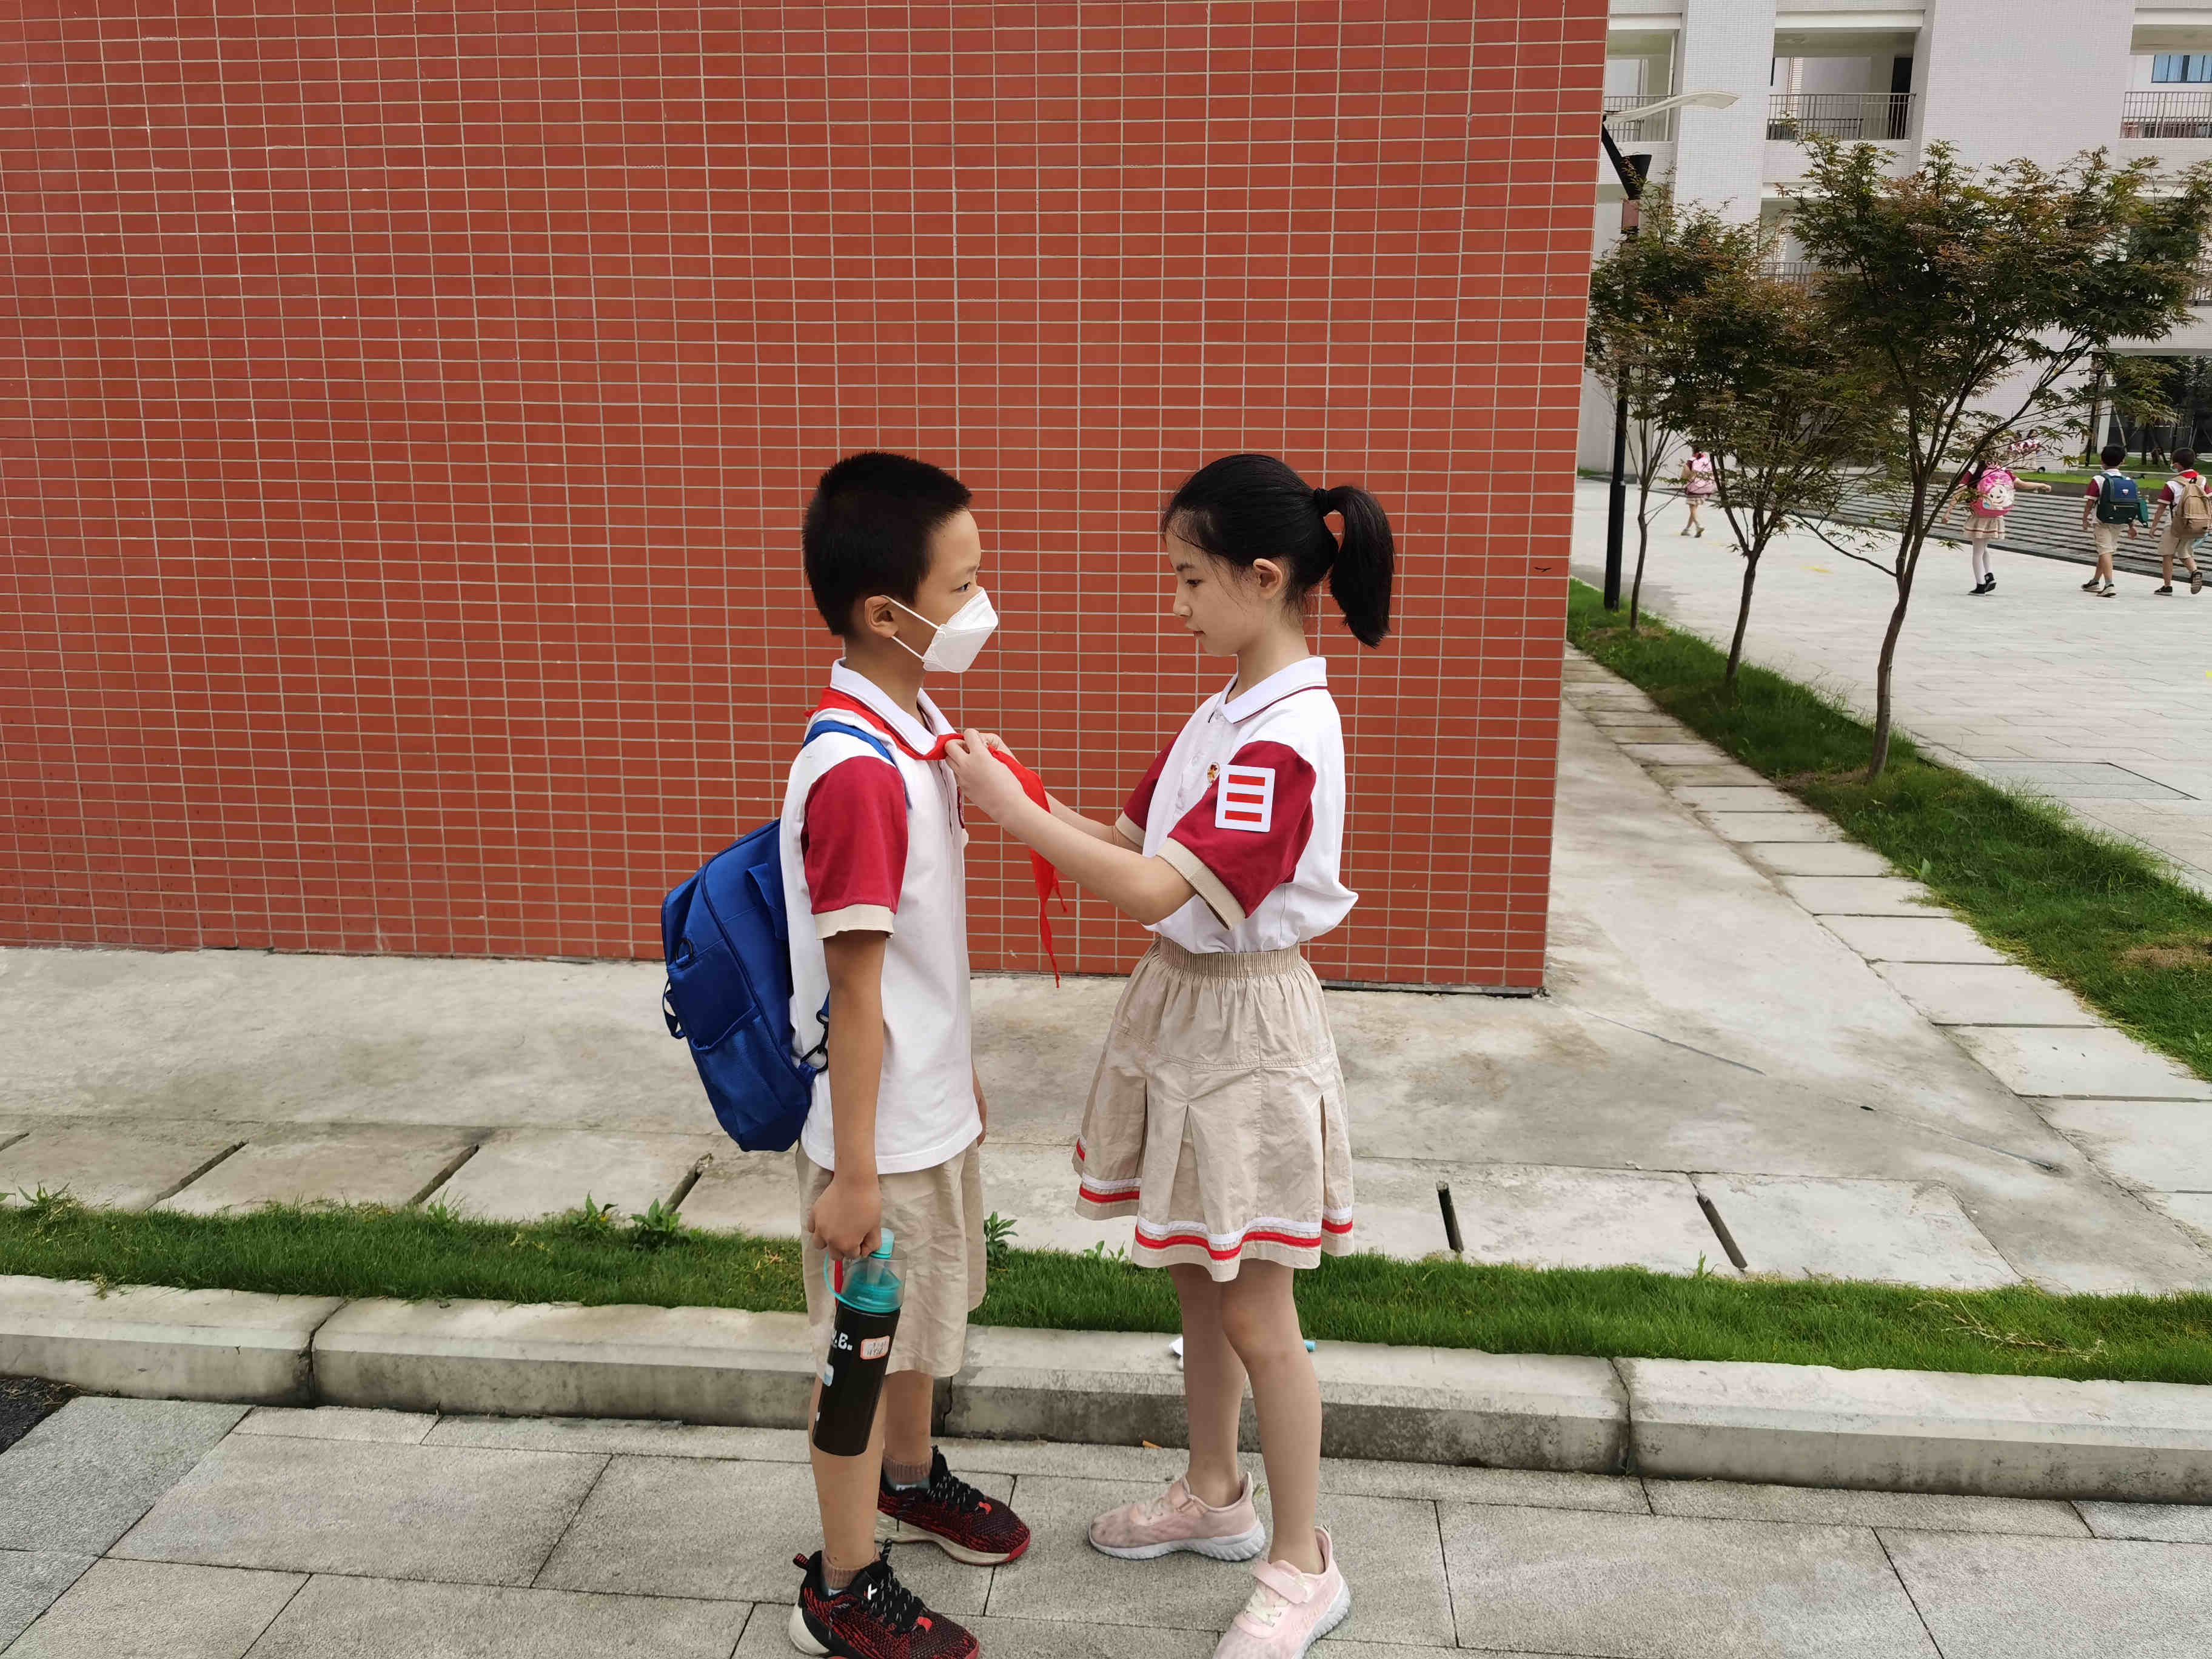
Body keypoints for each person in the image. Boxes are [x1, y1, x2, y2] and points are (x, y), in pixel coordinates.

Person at [947, 454, 1389, 1659]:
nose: (1176, 602)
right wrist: (1020, 787)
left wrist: (1009, 811)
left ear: (1265, 576)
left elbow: (1150, 889)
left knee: (1257, 1307)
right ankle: (1213, 1494)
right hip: (1190, 1010)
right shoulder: (1228, 709)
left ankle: (1303, 1564)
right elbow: (1130, 841)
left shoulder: (1284, 735)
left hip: (1246, 1026)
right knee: (1202, 1274)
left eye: (1191, 580)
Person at [781, 452, 1030, 1659]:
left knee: (919, 1321)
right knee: (859, 1357)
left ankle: (911, 1476)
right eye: (964, 584)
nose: (984, 604)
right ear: (888, 614)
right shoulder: (857, 772)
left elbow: (920, 957)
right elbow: (855, 986)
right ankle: (840, 1584)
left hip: (922, 1110)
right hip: (872, 1141)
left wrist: (953, 1071)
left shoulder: (915, 725)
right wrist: (854, 1173)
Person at [1951, 457, 2051, 594]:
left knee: (1977, 552)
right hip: (1996, 515)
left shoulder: (1973, 472)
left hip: (1980, 516)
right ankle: (1989, 576)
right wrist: (2041, 485)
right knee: (1983, 548)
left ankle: (1980, 585)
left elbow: (1960, 491)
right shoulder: (2003, 471)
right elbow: (2022, 485)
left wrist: (1949, 511)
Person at [2079, 443, 2145, 598]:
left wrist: (2085, 519)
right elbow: (2131, 505)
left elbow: (2090, 502)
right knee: (2106, 551)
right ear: (2122, 462)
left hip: (2102, 521)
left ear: (2102, 461)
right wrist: (2132, 525)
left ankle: (2109, 585)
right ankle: (2095, 582)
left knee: (2105, 551)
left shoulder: (2098, 479)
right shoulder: (2127, 480)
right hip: (2120, 521)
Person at [2145, 449, 2209, 596]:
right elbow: (2209, 502)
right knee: (2184, 551)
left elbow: (2161, 507)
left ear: (2178, 465)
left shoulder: (2172, 483)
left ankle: (2167, 586)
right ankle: (2195, 571)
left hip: (2175, 523)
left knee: (2167, 554)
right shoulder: (2203, 480)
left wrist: (2154, 526)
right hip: (2195, 522)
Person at [1679, 446, 1715, 537]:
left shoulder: (1691, 461)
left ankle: (1699, 526)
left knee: (1692, 509)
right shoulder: (1706, 461)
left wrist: (1684, 481)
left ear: (1693, 451)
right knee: (1694, 510)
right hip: (1704, 488)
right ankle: (1686, 530)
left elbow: (1686, 473)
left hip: (1694, 488)